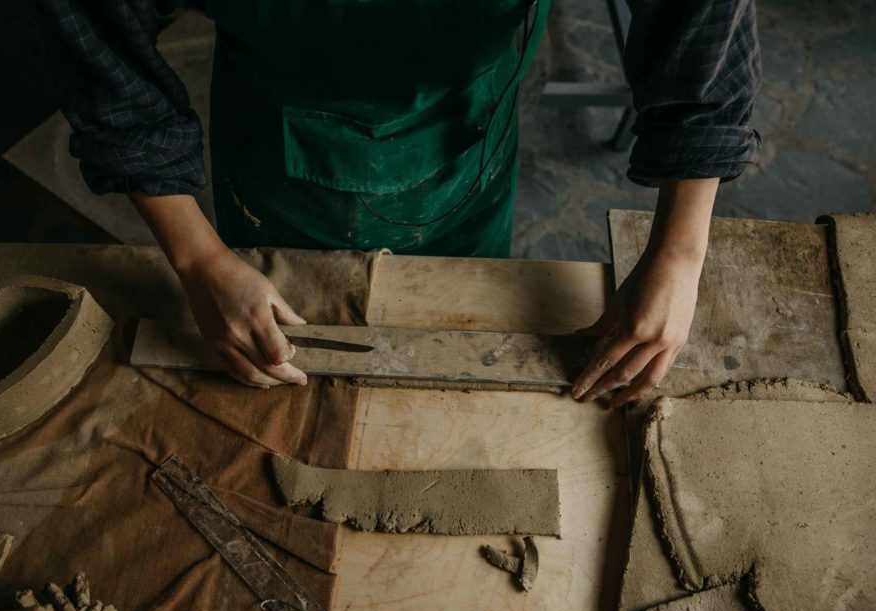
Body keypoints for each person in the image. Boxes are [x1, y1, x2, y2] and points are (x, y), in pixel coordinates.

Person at [38, 0, 760, 404]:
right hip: (276, 150)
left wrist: (678, 251)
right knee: (292, 383)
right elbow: (102, 53)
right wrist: (198, 260)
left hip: (469, 128)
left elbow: (698, 17)